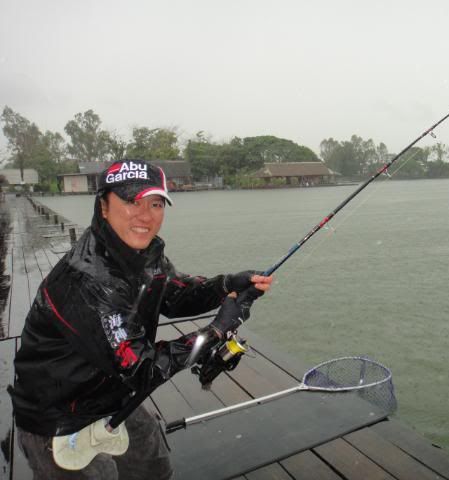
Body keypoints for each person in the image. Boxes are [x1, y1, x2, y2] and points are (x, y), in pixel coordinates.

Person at [9, 159, 272, 479]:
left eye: (156, 204)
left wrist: (226, 285)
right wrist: (217, 330)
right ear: (103, 206)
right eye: (131, 201)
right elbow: (144, 369)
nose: (145, 215)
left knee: (154, 465)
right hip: (56, 414)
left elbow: (174, 296)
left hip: (111, 394)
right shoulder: (89, 280)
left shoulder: (144, 254)